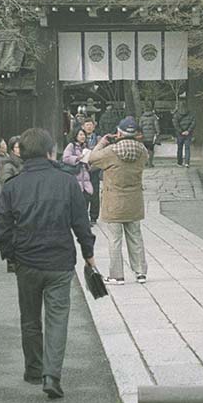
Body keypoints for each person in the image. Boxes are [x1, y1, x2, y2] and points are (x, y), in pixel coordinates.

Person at [0, 128, 97, 400]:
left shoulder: (13, 186)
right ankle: (52, 375)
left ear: (22, 153)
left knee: (30, 319)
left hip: (26, 262)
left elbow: (0, 227)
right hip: (60, 261)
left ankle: (33, 369)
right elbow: (81, 223)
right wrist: (88, 253)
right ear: (50, 152)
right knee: (57, 319)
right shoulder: (66, 182)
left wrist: (11, 254)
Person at [89, 116, 150, 285]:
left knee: (115, 240)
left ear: (119, 132)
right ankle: (140, 273)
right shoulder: (142, 151)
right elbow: (146, 160)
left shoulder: (111, 152)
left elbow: (92, 159)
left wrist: (102, 142)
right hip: (134, 200)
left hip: (114, 200)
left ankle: (117, 275)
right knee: (135, 237)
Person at [61, 129, 94, 205]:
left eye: (84, 135)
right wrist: (78, 158)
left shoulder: (86, 147)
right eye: (81, 135)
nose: (83, 137)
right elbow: (65, 158)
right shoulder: (71, 145)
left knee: (86, 204)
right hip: (76, 179)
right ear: (76, 136)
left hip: (86, 181)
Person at [81, 118, 102, 223]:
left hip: (94, 168)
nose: (89, 127)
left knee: (94, 192)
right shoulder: (80, 138)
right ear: (83, 126)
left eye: (90, 125)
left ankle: (94, 216)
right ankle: (83, 215)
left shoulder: (98, 139)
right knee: (83, 193)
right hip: (83, 169)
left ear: (94, 127)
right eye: (87, 125)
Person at [173, 102, 195, 167]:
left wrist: (180, 131)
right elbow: (193, 122)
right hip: (188, 134)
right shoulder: (190, 114)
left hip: (180, 134)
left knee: (179, 148)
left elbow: (175, 124)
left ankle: (179, 162)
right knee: (187, 148)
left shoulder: (176, 114)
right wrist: (188, 131)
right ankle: (187, 162)